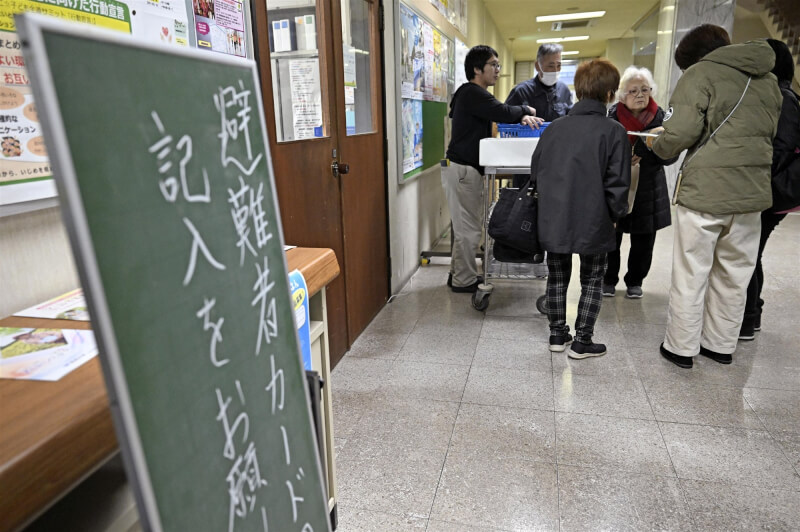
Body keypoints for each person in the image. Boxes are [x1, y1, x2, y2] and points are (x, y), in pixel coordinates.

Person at [648, 25, 782, 368]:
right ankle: (720, 345)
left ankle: (681, 347)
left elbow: (680, 132)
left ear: (693, 59)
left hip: (706, 194)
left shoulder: (701, 74)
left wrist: (655, 144)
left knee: (692, 271)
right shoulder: (767, 79)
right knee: (735, 274)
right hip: (752, 194)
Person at [531, 58, 630, 359]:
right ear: (611, 94)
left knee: (557, 276)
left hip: (555, 216)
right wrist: (615, 215)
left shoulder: (554, 129)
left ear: (577, 90)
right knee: (592, 279)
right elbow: (617, 183)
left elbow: (536, 172)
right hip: (595, 218)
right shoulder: (614, 132)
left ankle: (557, 334)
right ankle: (583, 340)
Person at [443, 45, 541, 293]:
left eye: (498, 65)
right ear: (477, 69)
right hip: (464, 171)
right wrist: (525, 111)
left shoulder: (472, 94)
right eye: (493, 65)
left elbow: (498, 112)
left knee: (465, 227)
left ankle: (459, 274)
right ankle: (463, 281)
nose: (498, 70)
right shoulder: (472, 92)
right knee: (469, 230)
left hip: (463, 169)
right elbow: (503, 111)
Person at [740, 38, 800, 340]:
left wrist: (757, 175)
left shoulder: (784, 97)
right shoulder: (775, 93)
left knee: (748, 251)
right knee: (752, 250)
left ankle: (747, 319)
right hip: (769, 187)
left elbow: (782, 146)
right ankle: (753, 313)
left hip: (772, 189)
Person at [603, 66, 678, 299]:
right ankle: (608, 279)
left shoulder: (662, 117)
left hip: (648, 187)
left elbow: (671, 155)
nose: (640, 95)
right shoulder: (611, 117)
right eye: (633, 90)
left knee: (644, 239)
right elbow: (601, 150)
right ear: (622, 95)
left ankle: (635, 280)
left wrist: (647, 152)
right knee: (610, 236)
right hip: (616, 184)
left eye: (645, 89)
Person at [507, 43, 573, 188]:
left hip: (557, 160)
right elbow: (505, 121)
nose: (555, 70)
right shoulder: (521, 91)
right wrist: (521, 117)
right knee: (526, 206)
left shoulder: (564, 90)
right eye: (550, 65)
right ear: (538, 66)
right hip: (526, 162)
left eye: (559, 65)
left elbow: (571, 120)